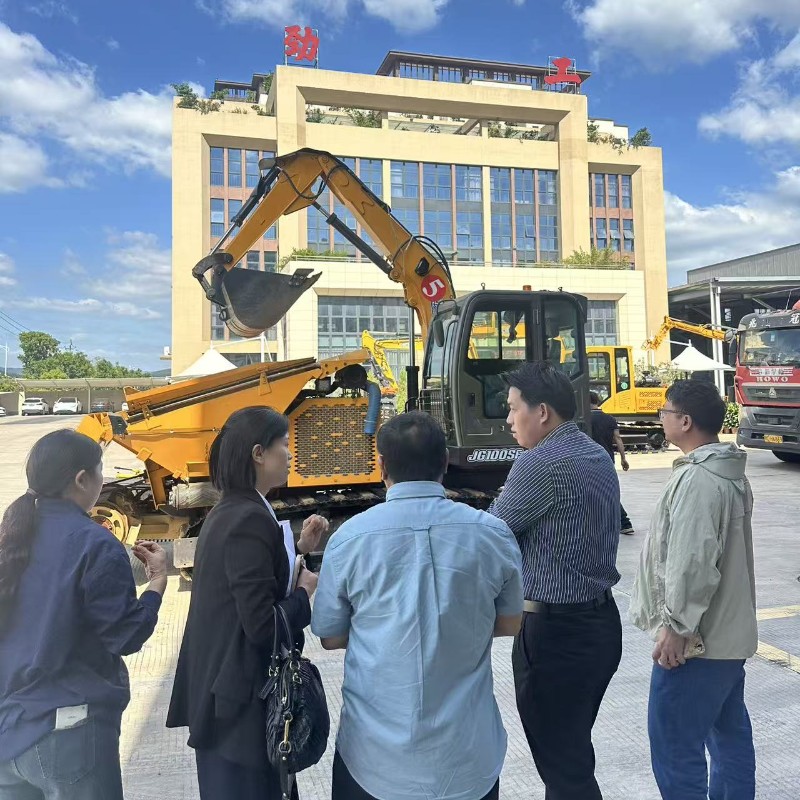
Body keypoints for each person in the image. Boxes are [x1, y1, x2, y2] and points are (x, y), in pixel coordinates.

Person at [311, 411, 523, 800]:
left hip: (373, 760)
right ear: (444, 463)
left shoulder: (350, 539)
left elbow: (329, 636)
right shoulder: (492, 534)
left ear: (382, 466)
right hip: (467, 759)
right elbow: (510, 623)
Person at [167, 406, 328, 800]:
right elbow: (261, 625)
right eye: (284, 445)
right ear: (259, 453)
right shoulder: (247, 518)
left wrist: (299, 551)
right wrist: (305, 594)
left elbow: (249, 588)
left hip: (226, 702)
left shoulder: (236, 509)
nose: (290, 454)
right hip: (238, 712)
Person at [0, 428, 167, 800]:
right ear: (81, 479)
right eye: (100, 470)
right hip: (69, 736)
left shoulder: (11, 535)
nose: (102, 480)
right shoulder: (95, 544)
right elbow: (124, 636)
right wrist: (157, 582)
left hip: (10, 731)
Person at [488, 362, 622, 800]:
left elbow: (490, 535)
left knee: (564, 770)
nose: (509, 420)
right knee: (572, 754)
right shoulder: (594, 453)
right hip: (600, 626)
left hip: (554, 637)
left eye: (513, 409)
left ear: (541, 412)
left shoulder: (539, 462)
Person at [630, 380, 757, 800]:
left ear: (684, 421)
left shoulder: (701, 480)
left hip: (697, 643)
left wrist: (676, 626)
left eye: (665, 412)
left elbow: (691, 561)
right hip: (727, 638)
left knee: (675, 747)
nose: (661, 418)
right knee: (728, 736)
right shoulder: (728, 474)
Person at [589, 390, 634, 534]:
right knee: (606, 490)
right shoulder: (609, 419)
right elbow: (618, 438)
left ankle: (624, 522)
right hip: (608, 459)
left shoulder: (585, 419)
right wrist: (623, 458)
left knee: (596, 491)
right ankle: (622, 523)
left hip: (590, 460)